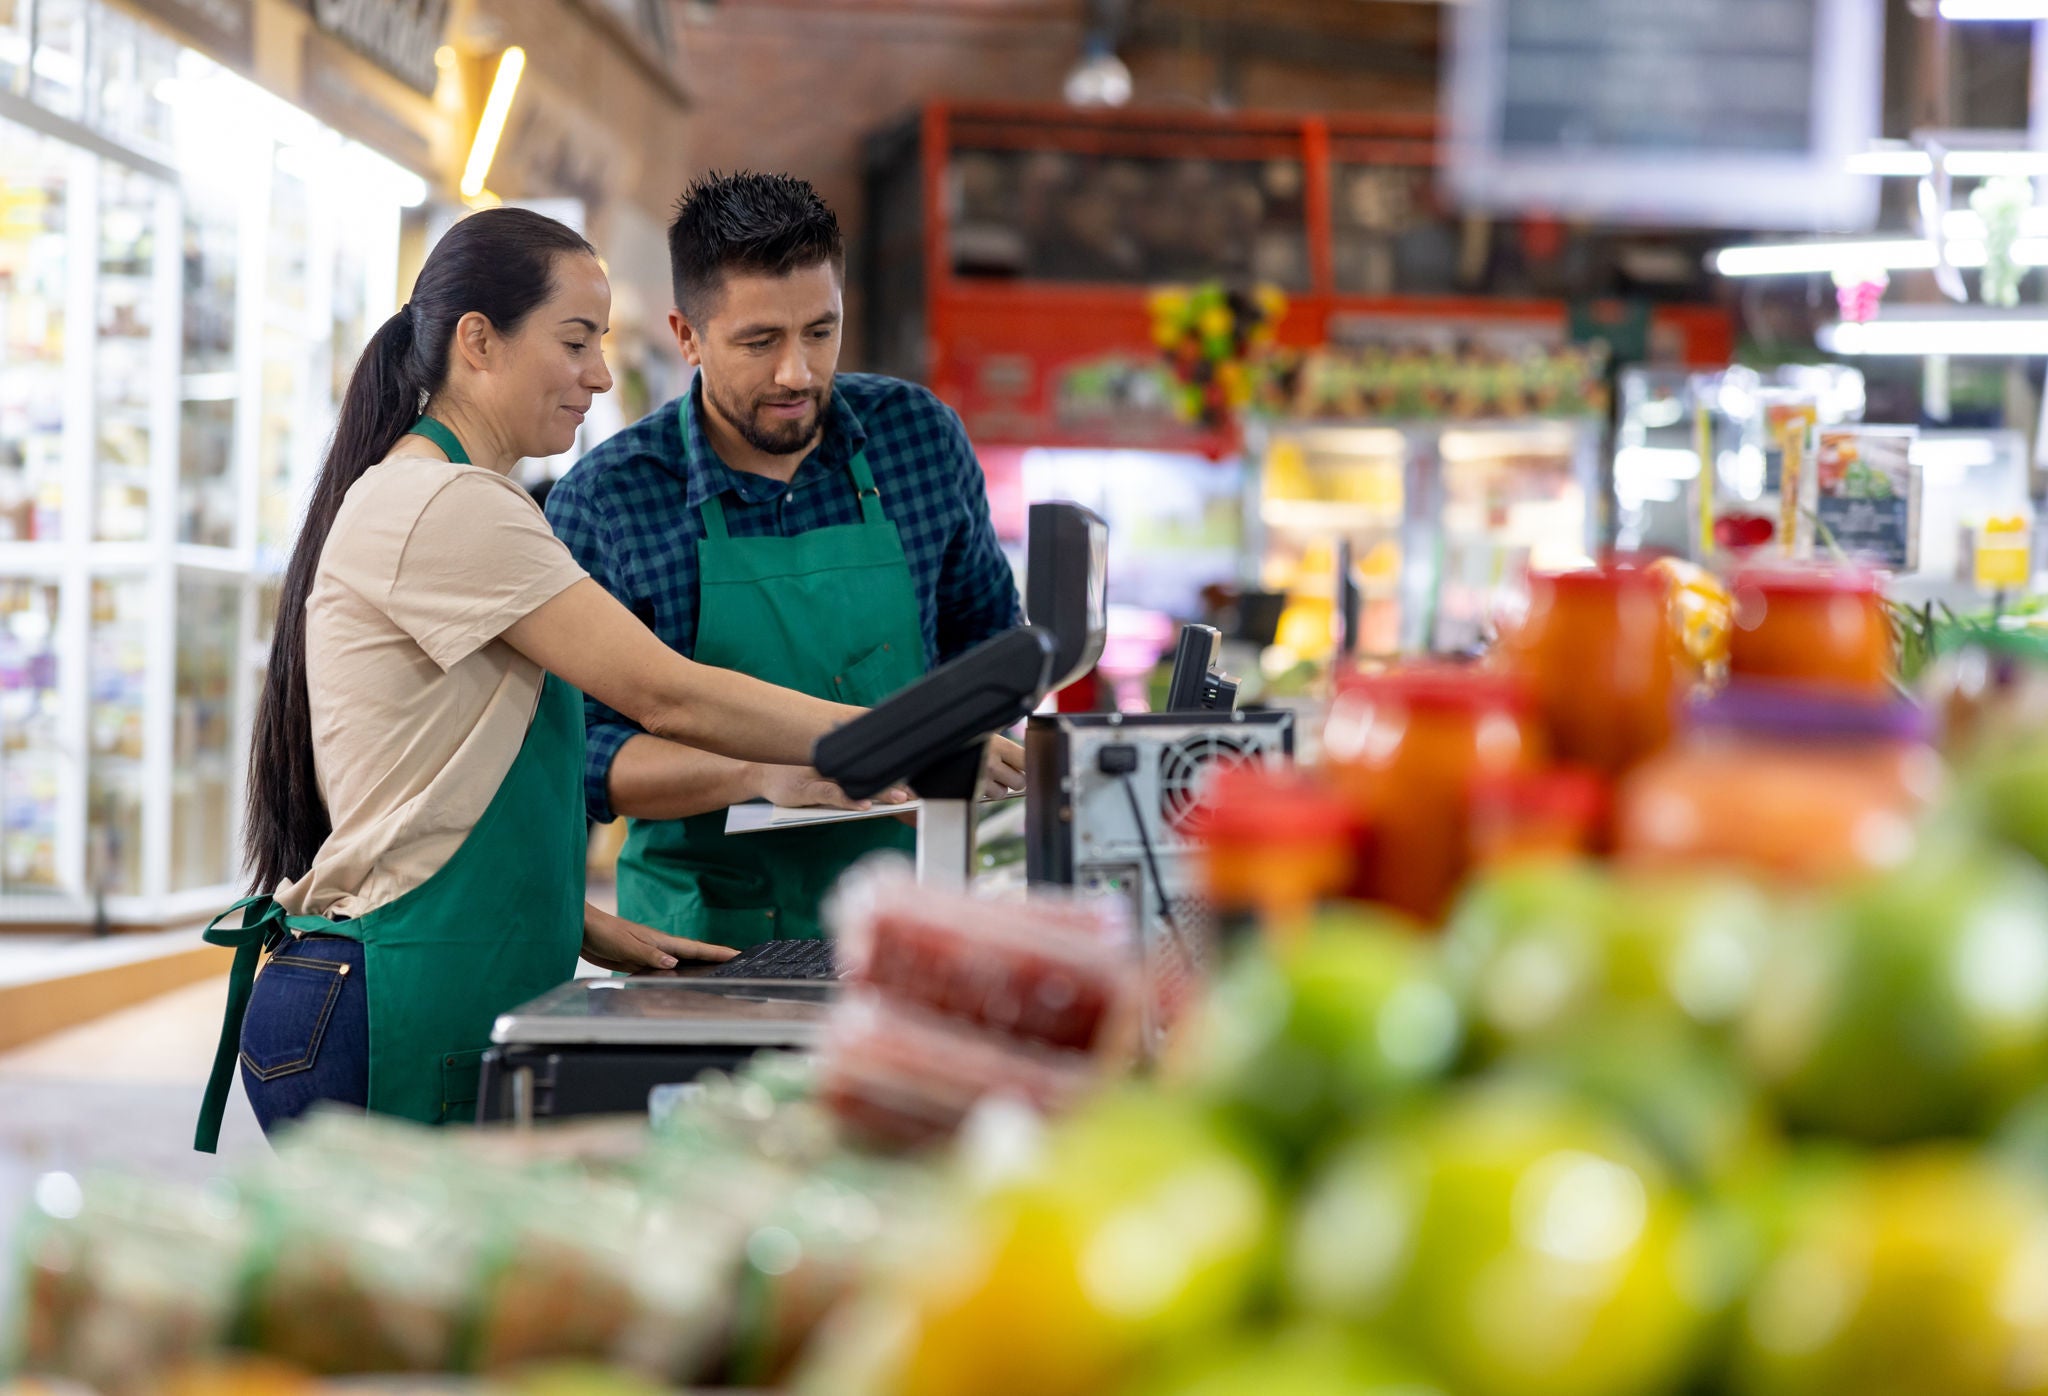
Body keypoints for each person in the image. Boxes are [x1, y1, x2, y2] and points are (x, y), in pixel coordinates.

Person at [195, 207, 871, 1151]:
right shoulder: (448, 502)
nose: (600, 372)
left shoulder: (443, 492)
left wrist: (572, 917)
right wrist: (894, 736)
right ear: (479, 341)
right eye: (576, 340)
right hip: (396, 999)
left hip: (402, 978)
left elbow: (432, 781)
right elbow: (667, 693)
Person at [545, 171, 1025, 950]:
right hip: (704, 940)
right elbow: (581, 754)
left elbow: (992, 639)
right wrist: (758, 772)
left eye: (820, 332)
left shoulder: (919, 440)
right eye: (760, 342)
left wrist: (966, 737)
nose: (798, 373)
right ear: (688, 335)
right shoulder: (611, 501)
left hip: (920, 914)